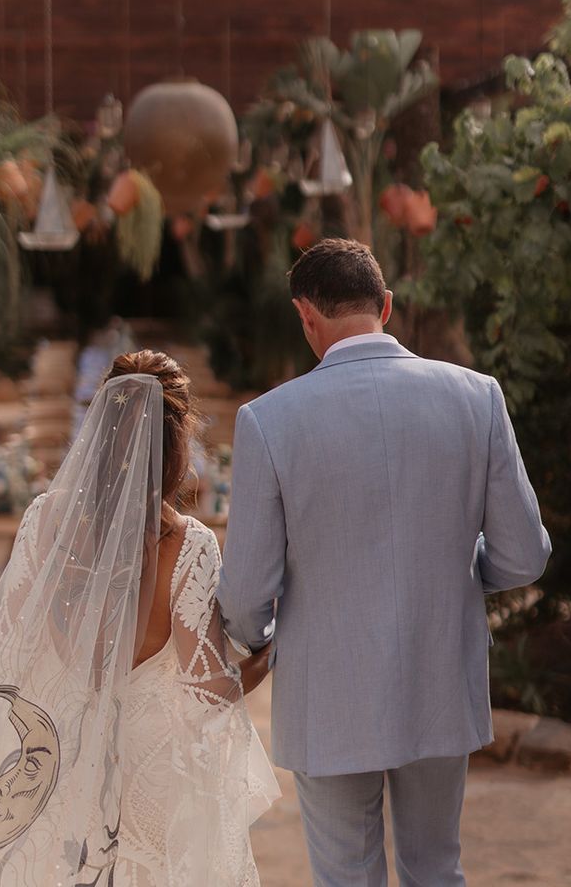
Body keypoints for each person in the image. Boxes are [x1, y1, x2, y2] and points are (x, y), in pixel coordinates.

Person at [0, 351, 278, 887]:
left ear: (99, 430)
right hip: (150, 774)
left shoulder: (44, 522)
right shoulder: (189, 545)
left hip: (61, 760)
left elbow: (14, 640)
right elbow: (209, 690)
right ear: (178, 445)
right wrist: (267, 656)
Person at [218, 238, 551, 887]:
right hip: (439, 672)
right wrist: (451, 573)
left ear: (305, 316)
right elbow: (523, 555)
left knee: (346, 877)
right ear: (388, 307)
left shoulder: (267, 420)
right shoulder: (476, 396)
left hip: (327, 690)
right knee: (436, 869)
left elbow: (247, 590)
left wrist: (259, 638)